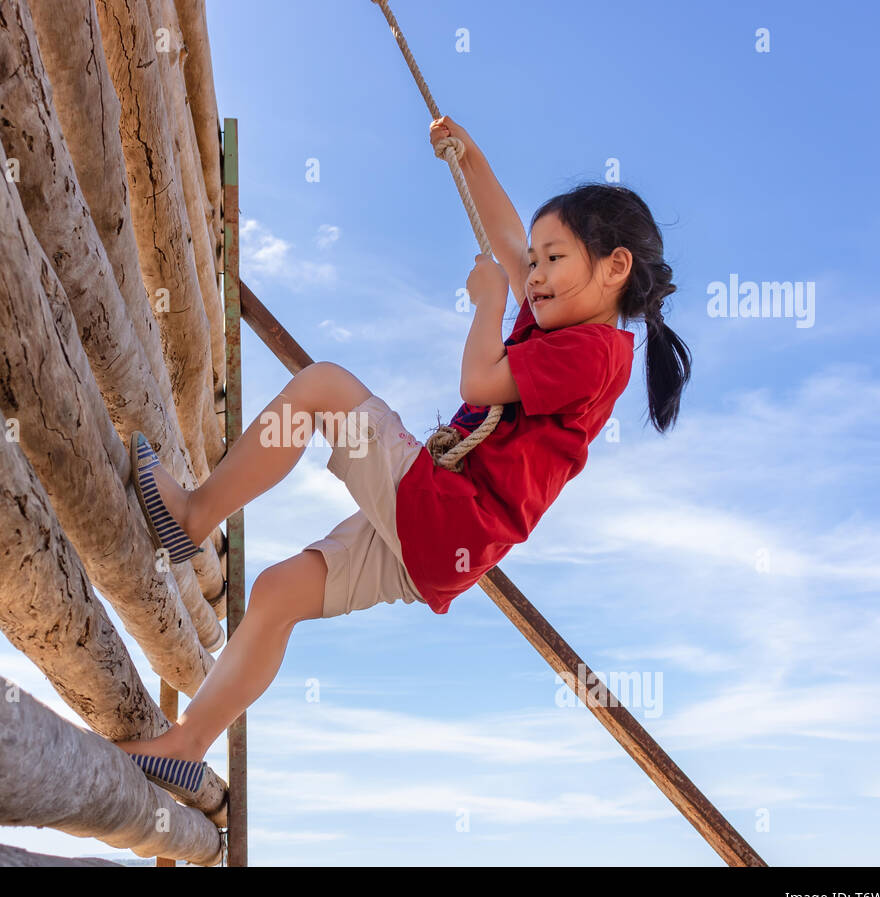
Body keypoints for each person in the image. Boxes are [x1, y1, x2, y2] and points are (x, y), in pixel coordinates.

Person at [114, 116, 692, 783]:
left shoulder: (595, 354)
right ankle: (188, 747)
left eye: (554, 259)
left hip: (449, 514)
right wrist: (468, 156)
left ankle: (193, 516)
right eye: (537, 261)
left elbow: (480, 379)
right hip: (445, 543)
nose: (534, 274)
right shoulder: (564, 318)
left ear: (615, 268)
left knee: (323, 387)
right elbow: (507, 240)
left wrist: (486, 306)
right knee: (277, 592)